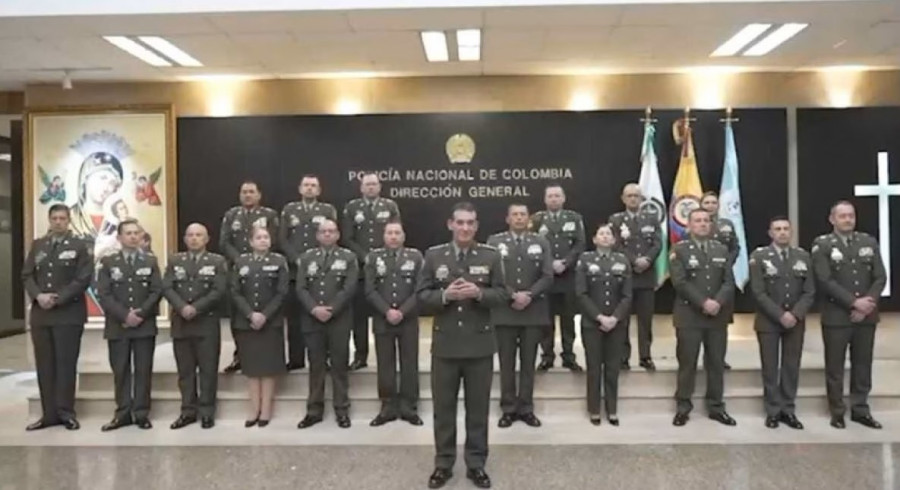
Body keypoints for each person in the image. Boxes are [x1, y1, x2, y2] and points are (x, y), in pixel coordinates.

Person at [418, 202, 507, 490]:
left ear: (476, 226)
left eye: (470, 223)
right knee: (443, 410)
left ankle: (476, 464)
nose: (465, 227)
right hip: (445, 346)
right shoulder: (433, 256)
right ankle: (443, 464)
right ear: (450, 224)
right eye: (460, 222)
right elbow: (421, 296)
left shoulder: (491, 256)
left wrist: (479, 293)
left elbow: (503, 294)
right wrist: (444, 296)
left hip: (479, 346)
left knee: (477, 409)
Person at [811, 201, 886, 430]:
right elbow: (824, 280)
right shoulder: (822, 245)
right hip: (837, 317)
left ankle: (861, 409)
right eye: (842, 216)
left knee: (862, 364)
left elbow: (880, 277)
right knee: (835, 366)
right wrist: (853, 303)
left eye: (851, 216)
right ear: (832, 219)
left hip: (867, 316)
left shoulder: (868, 241)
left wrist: (867, 304)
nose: (847, 220)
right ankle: (837, 411)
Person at [23, 204, 92, 431]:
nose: (59, 222)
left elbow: (83, 278)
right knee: (44, 366)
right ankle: (48, 414)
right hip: (41, 315)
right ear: (49, 220)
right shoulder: (39, 245)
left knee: (65, 364)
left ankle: (66, 413)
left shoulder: (80, 246)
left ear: (69, 220)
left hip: (68, 314)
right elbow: (27, 275)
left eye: (63, 218)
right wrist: (38, 296)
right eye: (55, 218)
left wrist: (58, 297)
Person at [487, 203, 552, 429]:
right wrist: (512, 295)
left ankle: (526, 408)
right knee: (506, 363)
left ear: (529, 218)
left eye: (523, 214)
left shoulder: (541, 241)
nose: (518, 218)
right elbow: (491, 275)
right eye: (514, 214)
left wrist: (529, 295)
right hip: (505, 311)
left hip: (532, 311)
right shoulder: (495, 242)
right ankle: (507, 409)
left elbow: (547, 275)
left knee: (528, 363)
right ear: (507, 218)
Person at [669, 208, 736, 428]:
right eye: (697, 221)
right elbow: (680, 282)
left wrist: (717, 302)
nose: (703, 224)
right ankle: (683, 407)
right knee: (687, 363)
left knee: (716, 363)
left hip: (717, 316)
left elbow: (728, 281)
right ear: (689, 225)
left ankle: (716, 407)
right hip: (689, 316)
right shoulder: (679, 250)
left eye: (706, 221)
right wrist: (703, 302)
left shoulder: (721, 249)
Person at [95, 218, 163, 431]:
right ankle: (123, 412)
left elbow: (156, 291)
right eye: (128, 233)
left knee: (143, 370)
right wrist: (125, 315)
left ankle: (141, 413)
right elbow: (103, 294)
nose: (133, 237)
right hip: (118, 326)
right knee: (121, 370)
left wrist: (140, 313)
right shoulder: (108, 262)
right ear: (119, 237)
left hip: (144, 325)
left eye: (137, 233)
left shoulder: (150, 261)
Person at [749, 217, 814, 430]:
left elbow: (809, 290)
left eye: (786, 229)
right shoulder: (759, 257)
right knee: (770, 368)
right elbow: (758, 292)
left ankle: (788, 409)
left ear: (791, 231)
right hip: (768, 321)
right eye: (778, 229)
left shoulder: (803, 256)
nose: (783, 232)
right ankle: (773, 411)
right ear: (770, 233)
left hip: (796, 321)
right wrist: (780, 315)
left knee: (791, 366)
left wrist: (795, 314)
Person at [163, 223, 228, 430]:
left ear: (207, 239)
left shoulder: (217, 261)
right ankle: (188, 411)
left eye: (199, 235)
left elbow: (219, 290)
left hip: (206, 322)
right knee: (185, 371)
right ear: (185, 239)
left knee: (208, 370)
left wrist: (196, 308)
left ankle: (207, 412)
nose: (194, 238)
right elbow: (167, 287)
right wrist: (182, 307)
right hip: (181, 323)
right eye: (190, 235)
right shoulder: (175, 260)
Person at [297, 219, 359, 429]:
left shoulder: (348, 257)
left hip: (339, 320)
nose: (327, 235)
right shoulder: (306, 258)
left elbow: (349, 288)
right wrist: (314, 309)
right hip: (312, 319)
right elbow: (301, 288)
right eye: (323, 231)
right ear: (317, 235)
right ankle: (314, 411)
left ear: (338, 235)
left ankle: (342, 410)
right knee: (316, 367)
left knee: (340, 366)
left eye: (331, 231)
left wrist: (331, 309)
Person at [365, 221, 424, 427]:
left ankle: (409, 407)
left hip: (408, 319)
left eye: (397, 233)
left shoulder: (415, 257)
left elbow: (420, 289)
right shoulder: (373, 257)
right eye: (389, 233)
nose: (393, 236)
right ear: (384, 236)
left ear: (403, 236)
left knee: (409, 363)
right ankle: (387, 407)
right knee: (385, 364)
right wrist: (387, 311)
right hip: (383, 319)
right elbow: (370, 289)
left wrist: (402, 311)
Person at [229, 226, 289, 428]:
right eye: (258, 237)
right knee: (252, 369)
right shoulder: (241, 262)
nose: (263, 240)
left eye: (266, 237)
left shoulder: (279, 261)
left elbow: (282, 292)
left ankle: (266, 410)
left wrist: (265, 315)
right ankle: (253, 409)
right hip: (247, 323)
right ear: (251, 242)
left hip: (270, 322)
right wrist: (250, 314)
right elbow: (235, 291)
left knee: (268, 368)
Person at [341, 172, 401, 370]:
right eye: (367, 184)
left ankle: (389, 356)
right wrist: (365, 256)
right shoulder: (352, 208)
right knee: (359, 316)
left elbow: (396, 233)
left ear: (379, 186)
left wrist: (380, 257)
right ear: (361, 188)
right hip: (360, 269)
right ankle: (360, 356)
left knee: (384, 311)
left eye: (374, 184)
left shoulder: (390, 206)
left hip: (385, 269)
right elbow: (347, 238)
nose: (371, 187)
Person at [219, 181, 280, 374]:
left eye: (251, 192)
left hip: (264, 272)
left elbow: (274, 240)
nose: (247, 195)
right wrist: (242, 260)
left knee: (265, 313)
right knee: (238, 316)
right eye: (244, 192)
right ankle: (239, 355)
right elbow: (224, 242)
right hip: (239, 271)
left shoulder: (269, 215)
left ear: (259, 195)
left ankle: (264, 357)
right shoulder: (231, 215)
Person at [280, 174, 338, 372]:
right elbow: (283, 238)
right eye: (306, 185)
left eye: (314, 185)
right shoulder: (289, 210)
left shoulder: (327, 210)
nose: (310, 188)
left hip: (322, 272)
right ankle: (296, 358)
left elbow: (331, 236)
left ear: (319, 190)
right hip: (295, 272)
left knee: (323, 314)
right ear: (300, 189)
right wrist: (296, 258)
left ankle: (326, 357)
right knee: (295, 318)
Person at [576, 224, 632, 426]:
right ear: (594, 239)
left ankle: (612, 408)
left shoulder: (622, 260)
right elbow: (581, 293)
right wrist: (599, 317)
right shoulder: (585, 260)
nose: (605, 237)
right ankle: (594, 409)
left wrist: (615, 318)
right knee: (593, 368)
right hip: (593, 323)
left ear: (614, 240)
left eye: (609, 234)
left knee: (612, 367)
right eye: (601, 233)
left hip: (617, 324)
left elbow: (627, 295)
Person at [532, 184, 586, 372]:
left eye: (557, 196)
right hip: (546, 278)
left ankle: (569, 356)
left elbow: (580, 244)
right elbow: (533, 246)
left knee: (568, 319)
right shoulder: (537, 220)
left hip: (567, 276)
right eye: (550, 196)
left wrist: (565, 262)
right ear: (545, 199)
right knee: (545, 320)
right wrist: (549, 264)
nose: (554, 199)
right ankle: (547, 356)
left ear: (563, 198)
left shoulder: (574, 218)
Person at [609, 183, 662, 371]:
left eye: (636, 196)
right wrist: (634, 261)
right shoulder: (616, 220)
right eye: (629, 196)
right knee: (622, 319)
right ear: (623, 199)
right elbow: (615, 245)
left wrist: (647, 259)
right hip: (625, 276)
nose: (633, 199)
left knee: (645, 319)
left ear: (641, 199)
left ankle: (645, 356)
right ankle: (623, 357)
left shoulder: (652, 218)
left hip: (646, 276)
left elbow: (657, 243)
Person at [700, 191, 738, 370]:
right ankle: (703, 357)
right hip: (702, 279)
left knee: (720, 324)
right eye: (706, 202)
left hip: (722, 278)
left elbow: (735, 247)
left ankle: (718, 358)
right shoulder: (694, 224)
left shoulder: (727, 225)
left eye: (713, 202)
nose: (710, 205)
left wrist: (725, 262)